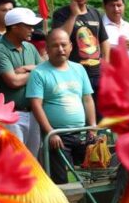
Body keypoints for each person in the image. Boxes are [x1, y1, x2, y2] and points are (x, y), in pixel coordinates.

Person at [26, 29, 97, 184]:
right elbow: (36, 105)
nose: (60, 49)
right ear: (47, 48)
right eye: (55, 45)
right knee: (63, 180)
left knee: (92, 175)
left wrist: (92, 126)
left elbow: (87, 99)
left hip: (83, 133)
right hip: (58, 136)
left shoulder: (78, 69)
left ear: (71, 46)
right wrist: (50, 132)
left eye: (64, 45)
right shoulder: (39, 73)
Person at [0, 7, 44, 155]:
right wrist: (35, 71)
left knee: (33, 163)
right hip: (12, 116)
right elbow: (13, 82)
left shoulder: (30, 47)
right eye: (28, 26)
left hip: (34, 112)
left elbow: (44, 72)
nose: (32, 29)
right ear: (14, 27)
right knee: (16, 161)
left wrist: (26, 69)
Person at [51, 0, 109, 95]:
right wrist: (73, 16)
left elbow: (104, 40)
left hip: (96, 72)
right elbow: (59, 38)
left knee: (99, 110)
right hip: (73, 72)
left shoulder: (95, 13)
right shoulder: (61, 14)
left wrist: (106, 63)